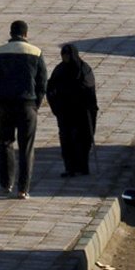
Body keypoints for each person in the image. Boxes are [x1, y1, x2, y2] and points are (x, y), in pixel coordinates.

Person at [0, 21, 49, 199]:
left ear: (11, 33)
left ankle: (6, 184)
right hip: (27, 105)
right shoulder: (36, 52)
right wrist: (36, 104)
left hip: (6, 105)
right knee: (26, 147)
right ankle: (23, 188)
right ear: (26, 34)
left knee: (5, 143)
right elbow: (42, 82)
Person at [46, 44, 98, 178]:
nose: (65, 58)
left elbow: (89, 87)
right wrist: (56, 107)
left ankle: (83, 166)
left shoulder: (84, 69)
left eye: (68, 55)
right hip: (65, 111)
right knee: (66, 140)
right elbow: (51, 88)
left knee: (83, 140)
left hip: (82, 111)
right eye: (63, 56)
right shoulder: (59, 70)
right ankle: (70, 168)